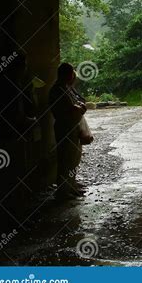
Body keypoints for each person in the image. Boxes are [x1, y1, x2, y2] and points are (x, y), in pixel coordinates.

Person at [49, 63, 86, 199]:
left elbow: (80, 102)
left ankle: (70, 186)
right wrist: (78, 107)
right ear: (68, 74)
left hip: (71, 127)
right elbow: (72, 108)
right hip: (64, 127)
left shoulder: (65, 88)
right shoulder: (57, 90)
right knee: (66, 159)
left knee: (73, 158)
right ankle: (63, 191)